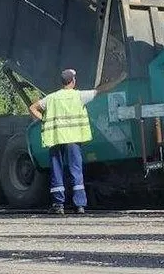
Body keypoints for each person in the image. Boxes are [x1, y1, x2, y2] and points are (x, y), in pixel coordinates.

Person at [29, 69, 116, 214]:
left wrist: (44, 119)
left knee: (57, 170)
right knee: (76, 169)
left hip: (56, 138)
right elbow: (99, 91)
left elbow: (32, 108)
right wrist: (118, 81)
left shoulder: (51, 98)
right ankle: (79, 205)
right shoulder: (79, 96)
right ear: (73, 81)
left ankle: (58, 205)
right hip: (73, 139)